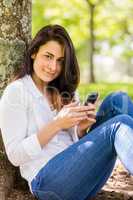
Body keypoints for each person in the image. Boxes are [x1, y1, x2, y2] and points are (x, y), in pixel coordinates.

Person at [0, 24, 133, 200]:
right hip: (49, 183)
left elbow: (69, 144)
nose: (53, 66)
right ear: (33, 53)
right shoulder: (17, 91)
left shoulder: (63, 90)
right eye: (48, 56)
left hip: (78, 177)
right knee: (118, 125)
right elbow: (15, 156)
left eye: (60, 60)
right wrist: (57, 124)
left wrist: (80, 129)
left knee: (118, 100)